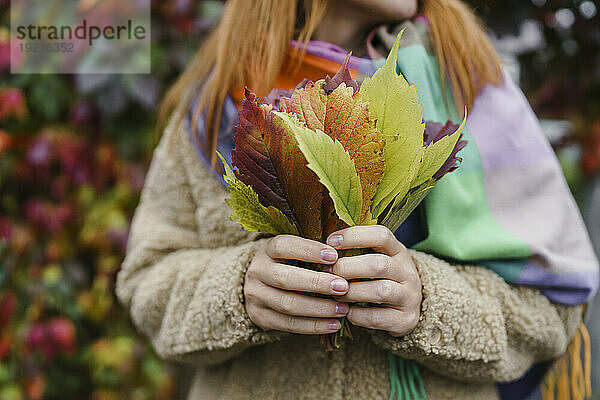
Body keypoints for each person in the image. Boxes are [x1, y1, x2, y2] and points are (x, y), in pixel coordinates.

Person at [116, 0, 599, 399]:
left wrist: (425, 300)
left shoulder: (471, 86)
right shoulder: (215, 103)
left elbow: (549, 307)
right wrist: (239, 291)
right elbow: (147, 282)